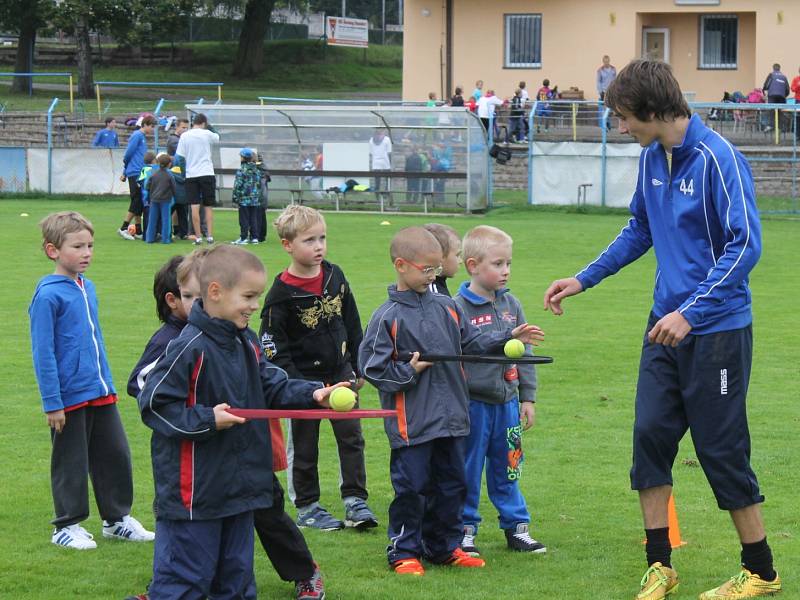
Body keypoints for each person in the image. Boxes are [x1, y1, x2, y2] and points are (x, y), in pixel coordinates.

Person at [543, 59, 782, 600]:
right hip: (662, 327)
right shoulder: (654, 157)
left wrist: (690, 312)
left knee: (721, 450)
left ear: (653, 110)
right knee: (649, 438)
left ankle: (762, 571)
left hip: (715, 330)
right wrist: (584, 279)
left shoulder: (719, 159)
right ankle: (660, 565)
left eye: (625, 117)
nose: (621, 128)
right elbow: (640, 229)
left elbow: (746, 247)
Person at [138, 244, 345, 599]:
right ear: (215, 292)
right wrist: (207, 419)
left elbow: (271, 382)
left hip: (242, 487)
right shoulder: (189, 347)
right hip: (195, 494)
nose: (254, 305)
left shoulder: (246, 341)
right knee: (185, 582)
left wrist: (312, 393)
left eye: (257, 296)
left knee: (234, 581)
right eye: (248, 296)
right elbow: (155, 405)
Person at [358, 226, 544, 575]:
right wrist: (408, 371)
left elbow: (470, 344)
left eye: (435, 269)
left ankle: (444, 546)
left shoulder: (446, 306)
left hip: (453, 419)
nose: (432, 276)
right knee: (412, 488)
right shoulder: (387, 316)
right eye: (425, 269)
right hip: (412, 422)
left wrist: (508, 336)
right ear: (401, 265)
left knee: (452, 485)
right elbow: (371, 367)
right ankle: (403, 551)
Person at [29, 211, 154, 550]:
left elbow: (93, 341)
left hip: (100, 390)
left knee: (115, 454)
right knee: (71, 461)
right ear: (53, 250)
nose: (86, 253)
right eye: (77, 246)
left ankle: (116, 520)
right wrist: (52, 404)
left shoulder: (88, 287)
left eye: (90, 246)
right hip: (68, 397)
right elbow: (44, 354)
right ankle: (66, 525)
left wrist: (107, 383)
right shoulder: (48, 296)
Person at [259, 205, 377, 532]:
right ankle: (307, 505)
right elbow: (271, 345)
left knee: (351, 438)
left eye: (322, 238)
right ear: (287, 245)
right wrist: (295, 387)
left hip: (340, 373)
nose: (319, 246)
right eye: (309, 240)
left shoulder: (335, 275)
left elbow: (352, 323)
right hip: (302, 383)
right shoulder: (279, 295)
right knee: (305, 444)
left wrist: (359, 365)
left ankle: (355, 501)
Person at [454, 225, 545, 558]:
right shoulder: (457, 307)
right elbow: (462, 353)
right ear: (473, 265)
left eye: (508, 263)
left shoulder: (512, 304)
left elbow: (526, 354)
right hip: (473, 406)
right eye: (497, 264)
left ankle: (516, 528)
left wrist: (528, 397)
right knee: (467, 469)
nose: (505, 270)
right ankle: (463, 531)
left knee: (509, 466)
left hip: (507, 404)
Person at [176, 112, 219, 245]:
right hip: (206, 172)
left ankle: (198, 236)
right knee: (208, 206)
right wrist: (210, 127)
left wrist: (184, 172)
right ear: (204, 123)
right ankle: (210, 235)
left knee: (194, 206)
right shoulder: (207, 133)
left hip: (191, 174)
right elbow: (217, 137)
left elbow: (180, 157)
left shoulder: (185, 135)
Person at [118, 115, 156, 241]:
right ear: (144, 124)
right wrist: (125, 169)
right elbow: (129, 153)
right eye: (151, 126)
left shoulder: (142, 137)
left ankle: (138, 229)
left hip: (140, 171)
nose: (152, 129)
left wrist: (125, 171)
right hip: (135, 172)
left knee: (140, 199)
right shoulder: (137, 135)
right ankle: (124, 227)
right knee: (136, 200)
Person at [231, 148, 263, 245]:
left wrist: (235, 197)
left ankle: (243, 237)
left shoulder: (241, 170)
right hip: (255, 199)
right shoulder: (257, 170)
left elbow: (238, 185)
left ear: (243, 158)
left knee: (244, 219)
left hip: (244, 199)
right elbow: (259, 185)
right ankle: (254, 237)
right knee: (253, 218)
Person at [422, 222, 461, 296]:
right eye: (457, 255)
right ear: (440, 257)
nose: (460, 261)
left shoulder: (436, 287)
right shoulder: (434, 294)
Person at [145, 153, 176, 244]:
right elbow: (174, 188)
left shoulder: (153, 174)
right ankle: (165, 239)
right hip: (165, 200)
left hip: (154, 199)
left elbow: (147, 186)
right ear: (169, 164)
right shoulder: (169, 175)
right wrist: (173, 196)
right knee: (166, 220)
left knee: (152, 220)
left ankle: (149, 238)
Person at [369, 129, 393, 196]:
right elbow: (389, 151)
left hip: (376, 162)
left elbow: (371, 152)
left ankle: (377, 196)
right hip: (385, 161)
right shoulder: (387, 139)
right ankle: (386, 194)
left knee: (377, 181)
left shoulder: (371, 140)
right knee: (387, 180)